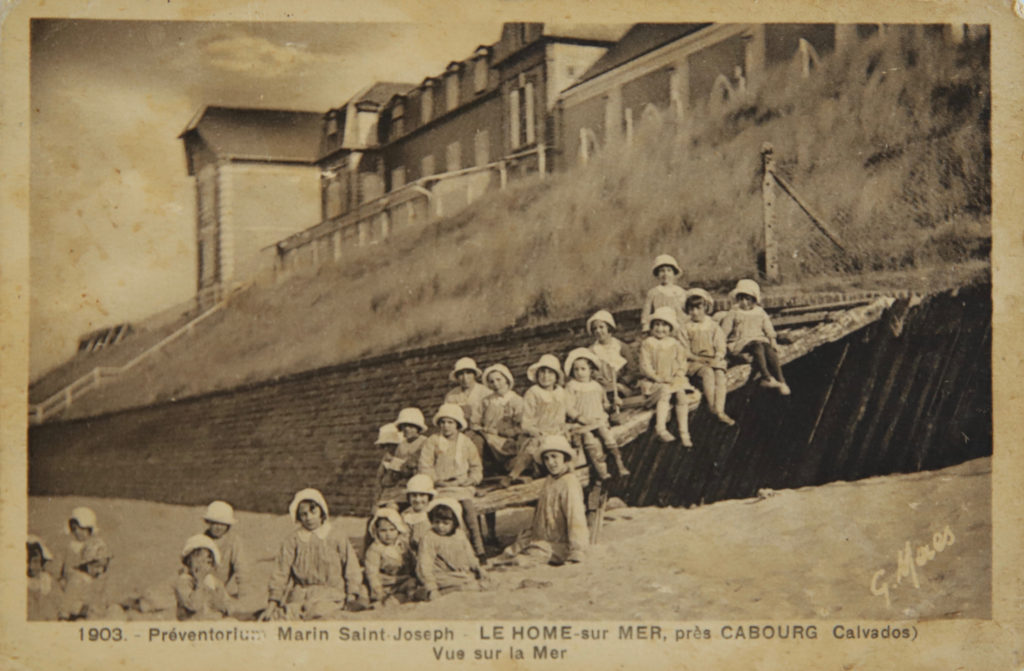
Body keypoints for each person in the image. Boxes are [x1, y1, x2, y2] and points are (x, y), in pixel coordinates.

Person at [263, 488, 367, 621]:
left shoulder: (336, 537)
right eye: (303, 514)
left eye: (313, 512)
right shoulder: (293, 540)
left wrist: (352, 594)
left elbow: (351, 568)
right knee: (284, 616)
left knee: (319, 613)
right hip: (300, 596)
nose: (309, 518)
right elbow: (280, 573)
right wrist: (272, 603)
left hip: (331, 595)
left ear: (322, 512)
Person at [498, 435, 589, 567]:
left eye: (554, 457)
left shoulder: (569, 483)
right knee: (511, 551)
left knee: (522, 560)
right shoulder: (549, 480)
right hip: (543, 540)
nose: (550, 462)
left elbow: (576, 519)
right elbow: (540, 516)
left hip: (561, 545)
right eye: (546, 458)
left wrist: (577, 551)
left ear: (564, 458)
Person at [417, 404, 487, 562]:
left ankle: (478, 549)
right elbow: (425, 466)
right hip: (440, 486)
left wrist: (471, 480)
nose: (446, 426)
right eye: (442, 422)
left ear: (457, 424)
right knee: (439, 512)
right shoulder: (433, 441)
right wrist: (436, 481)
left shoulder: (466, 442)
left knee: (468, 510)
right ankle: (439, 551)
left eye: (450, 422)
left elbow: (476, 467)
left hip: (461, 485)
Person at [563, 348, 629, 478]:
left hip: (598, 419)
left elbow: (604, 404)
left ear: (591, 370)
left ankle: (620, 465)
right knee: (589, 440)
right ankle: (601, 471)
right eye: (576, 370)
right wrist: (580, 418)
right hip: (582, 422)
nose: (579, 373)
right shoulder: (571, 386)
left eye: (583, 369)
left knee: (607, 437)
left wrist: (613, 404)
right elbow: (568, 407)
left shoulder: (597, 386)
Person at [720, 279, 791, 395]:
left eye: (747, 299)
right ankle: (766, 377)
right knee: (757, 346)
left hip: (758, 339)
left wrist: (773, 341)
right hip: (741, 342)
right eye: (741, 299)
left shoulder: (760, 312)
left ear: (754, 300)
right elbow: (724, 331)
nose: (744, 302)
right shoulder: (734, 312)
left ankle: (781, 380)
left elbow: (768, 328)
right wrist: (722, 348)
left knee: (768, 349)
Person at [640, 306, 699, 446]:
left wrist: (678, 374)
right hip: (654, 381)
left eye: (664, 325)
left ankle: (684, 432)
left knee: (681, 395)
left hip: (672, 379)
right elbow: (645, 366)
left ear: (671, 328)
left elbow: (682, 362)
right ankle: (660, 429)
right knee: (665, 392)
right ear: (651, 327)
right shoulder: (648, 343)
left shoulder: (675, 344)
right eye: (657, 325)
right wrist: (658, 378)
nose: (660, 329)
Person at [415, 499, 490, 601]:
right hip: (439, 576)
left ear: (455, 523)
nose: (440, 526)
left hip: (459, 573)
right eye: (437, 522)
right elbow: (424, 565)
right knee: (468, 584)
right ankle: (438, 592)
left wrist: (478, 568)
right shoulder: (429, 538)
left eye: (445, 523)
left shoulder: (460, 535)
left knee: (480, 579)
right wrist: (431, 588)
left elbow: (469, 556)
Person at [681, 288, 735, 425]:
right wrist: (699, 359)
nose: (695, 312)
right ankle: (712, 407)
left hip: (712, 359)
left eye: (698, 308)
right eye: (691, 309)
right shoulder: (685, 327)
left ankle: (720, 410)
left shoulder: (713, 326)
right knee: (708, 373)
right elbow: (684, 351)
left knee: (720, 375)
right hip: (695, 361)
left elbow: (720, 345)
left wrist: (717, 357)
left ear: (705, 307)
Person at [518, 353, 572, 481]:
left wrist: (565, 426)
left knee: (563, 452)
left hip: (557, 432)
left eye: (550, 373)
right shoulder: (533, 392)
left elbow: (566, 412)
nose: (546, 376)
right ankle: (517, 474)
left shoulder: (561, 392)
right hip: (538, 432)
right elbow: (526, 422)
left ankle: (565, 477)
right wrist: (536, 431)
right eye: (542, 372)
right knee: (536, 448)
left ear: (556, 376)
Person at [58, 537, 124, 621]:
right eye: (97, 567)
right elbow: (67, 605)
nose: (100, 571)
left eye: (104, 567)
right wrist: (85, 609)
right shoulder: (78, 579)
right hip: (80, 618)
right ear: (87, 564)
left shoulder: (98, 579)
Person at [363, 508, 417, 606]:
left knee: (412, 583)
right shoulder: (375, 548)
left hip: (400, 581)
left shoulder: (402, 545)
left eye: (392, 530)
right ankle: (379, 602)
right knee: (365, 591)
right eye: (383, 531)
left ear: (398, 529)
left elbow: (412, 563)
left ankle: (410, 600)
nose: (388, 534)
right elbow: (372, 573)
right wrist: (377, 589)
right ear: (376, 531)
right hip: (383, 582)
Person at [174, 534, 235, 621]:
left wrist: (222, 605)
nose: (201, 566)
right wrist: (200, 582)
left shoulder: (214, 582)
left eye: (206, 562)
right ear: (188, 562)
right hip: (192, 624)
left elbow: (228, 605)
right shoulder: (184, 581)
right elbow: (193, 605)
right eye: (197, 561)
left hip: (214, 622)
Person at [478, 363, 525, 474]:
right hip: (488, 437)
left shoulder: (516, 400)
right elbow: (478, 420)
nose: (496, 384)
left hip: (509, 439)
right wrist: (483, 429)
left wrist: (500, 432)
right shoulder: (486, 401)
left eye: (499, 380)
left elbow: (520, 426)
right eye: (492, 381)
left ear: (506, 380)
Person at [587, 310, 638, 406]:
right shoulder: (592, 351)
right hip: (603, 387)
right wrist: (605, 383)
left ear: (609, 328)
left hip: (622, 384)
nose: (598, 331)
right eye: (594, 329)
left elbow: (632, 369)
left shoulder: (620, 346)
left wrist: (622, 382)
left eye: (601, 327)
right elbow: (592, 372)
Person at [201, 501, 247, 601]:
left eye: (222, 524)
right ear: (208, 522)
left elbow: (241, 568)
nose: (218, 527)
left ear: (228, 525)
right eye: (214, 523)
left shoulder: (233, 541)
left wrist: (243, 593)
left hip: (221, 586)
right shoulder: (202, 540)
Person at [443, 357, 490, 456]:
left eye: (468, 373)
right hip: (458, 431)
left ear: (474, 375)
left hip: (481, 431)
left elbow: (490, 417)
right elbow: (447, 417)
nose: (465, 378)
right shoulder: (451, 396)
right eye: (461, 374)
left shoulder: (485, 392)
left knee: (477, 443)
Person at [641, 254, 688, 334]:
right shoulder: (653, 293)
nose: (665, 274)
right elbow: (646, 314)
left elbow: (685, 312)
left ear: (674, 273)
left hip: (678, 328)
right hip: (660, 330)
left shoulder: (681, 292)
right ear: (657, 274)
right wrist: (646, 327)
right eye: (662, 271)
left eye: (669, 270)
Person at [58, 506, 99, 588]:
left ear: (89, 529)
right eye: (74, 529)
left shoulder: (93, 546)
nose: (77, 532)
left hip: (86, 583)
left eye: (82, 529)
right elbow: (65, 567)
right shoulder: (71, 546)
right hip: (71, 582)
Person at [27, 535, 62, 621]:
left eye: (36, 561)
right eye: (26, 562)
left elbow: (61, 604)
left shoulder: (47, 581)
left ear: (42, 562)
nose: (31, 567)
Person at [375, 423, 415, 489]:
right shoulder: (387, 457)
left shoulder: (406, 455)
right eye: (383, 446)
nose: (386, 448)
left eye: (389, 445)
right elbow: (380, 477)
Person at [401, 474, 436, 549]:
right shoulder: (405, 514)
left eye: (422, 495)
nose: (417, 499)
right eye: (414, 495)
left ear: (429, 497)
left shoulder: (433, 513)